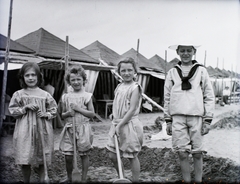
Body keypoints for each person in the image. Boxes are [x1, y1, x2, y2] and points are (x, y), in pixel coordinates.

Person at [164, 44, 215, 183]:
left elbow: (209, 95)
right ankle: (186, 181)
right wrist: (168, 120)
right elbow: (167, 97)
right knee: (182, 153)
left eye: (188, 51)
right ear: (177, 52)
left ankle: (198, 181)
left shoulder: (201, 71)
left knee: (197, 153)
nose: (185, 53)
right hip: (177, 117)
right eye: (182, 51)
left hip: (196, 117)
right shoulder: (172, 72)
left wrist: (207, 120)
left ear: (194, 52)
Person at [8, 62, 57, 183]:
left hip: (43, 129)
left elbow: (54, 110)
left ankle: (42, 179)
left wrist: (47, 114)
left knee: (42, 158)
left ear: (39, 76)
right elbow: (13, 111)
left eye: (33, 75)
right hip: (25, 130)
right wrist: (25, 108)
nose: (30, 78)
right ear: (23, 77)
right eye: (27, 75)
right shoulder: (18, 94)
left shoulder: (45, 95)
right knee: (26, 158)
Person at [106, 57, 143, 182]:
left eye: (129, 70)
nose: (126, 73)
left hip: (129, 124)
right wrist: (114, 115)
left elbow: (132, 109)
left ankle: (135, 180)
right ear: (119, 72)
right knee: (112, 154)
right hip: (117, 123)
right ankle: (121, 178)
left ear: (134, 72)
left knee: (132, 155)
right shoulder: (119, 86)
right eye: (123, 71)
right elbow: (118, 103)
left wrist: (120, 124)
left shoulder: (135, 87)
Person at [59, 65, 95, 183]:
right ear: (69, 81)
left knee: (84, 154)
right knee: (68, 156)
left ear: (84, 80)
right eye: (73, 80)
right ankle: (70, 177)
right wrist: (68, 113)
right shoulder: (65, 97)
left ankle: (83, 178)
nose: (76, 82)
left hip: (83, 128)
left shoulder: (87, 96)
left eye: (78, 79)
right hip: (69, 129)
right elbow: (62, 115)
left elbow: (91, 114)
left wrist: (78, 109)